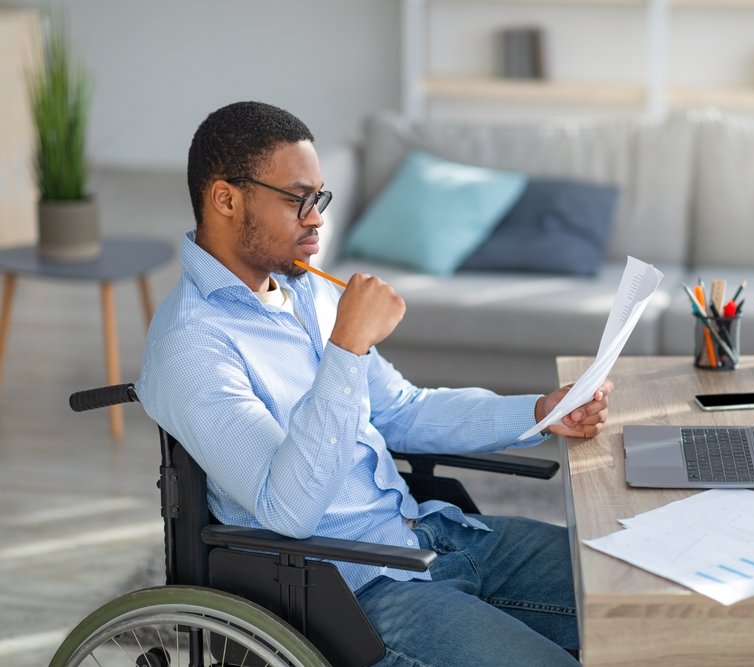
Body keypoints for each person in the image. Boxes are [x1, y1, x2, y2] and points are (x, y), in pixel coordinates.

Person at [137, 101, 613, 666]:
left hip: (428, 538)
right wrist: (347, 346)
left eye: (320, 199)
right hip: (355, 595)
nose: (316, 219)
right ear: (225, 198)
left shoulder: (306, 289)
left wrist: (538, 411)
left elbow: (401, 409)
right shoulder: (192, 344)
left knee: (636, 587)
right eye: (297, 199)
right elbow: (289, 510)